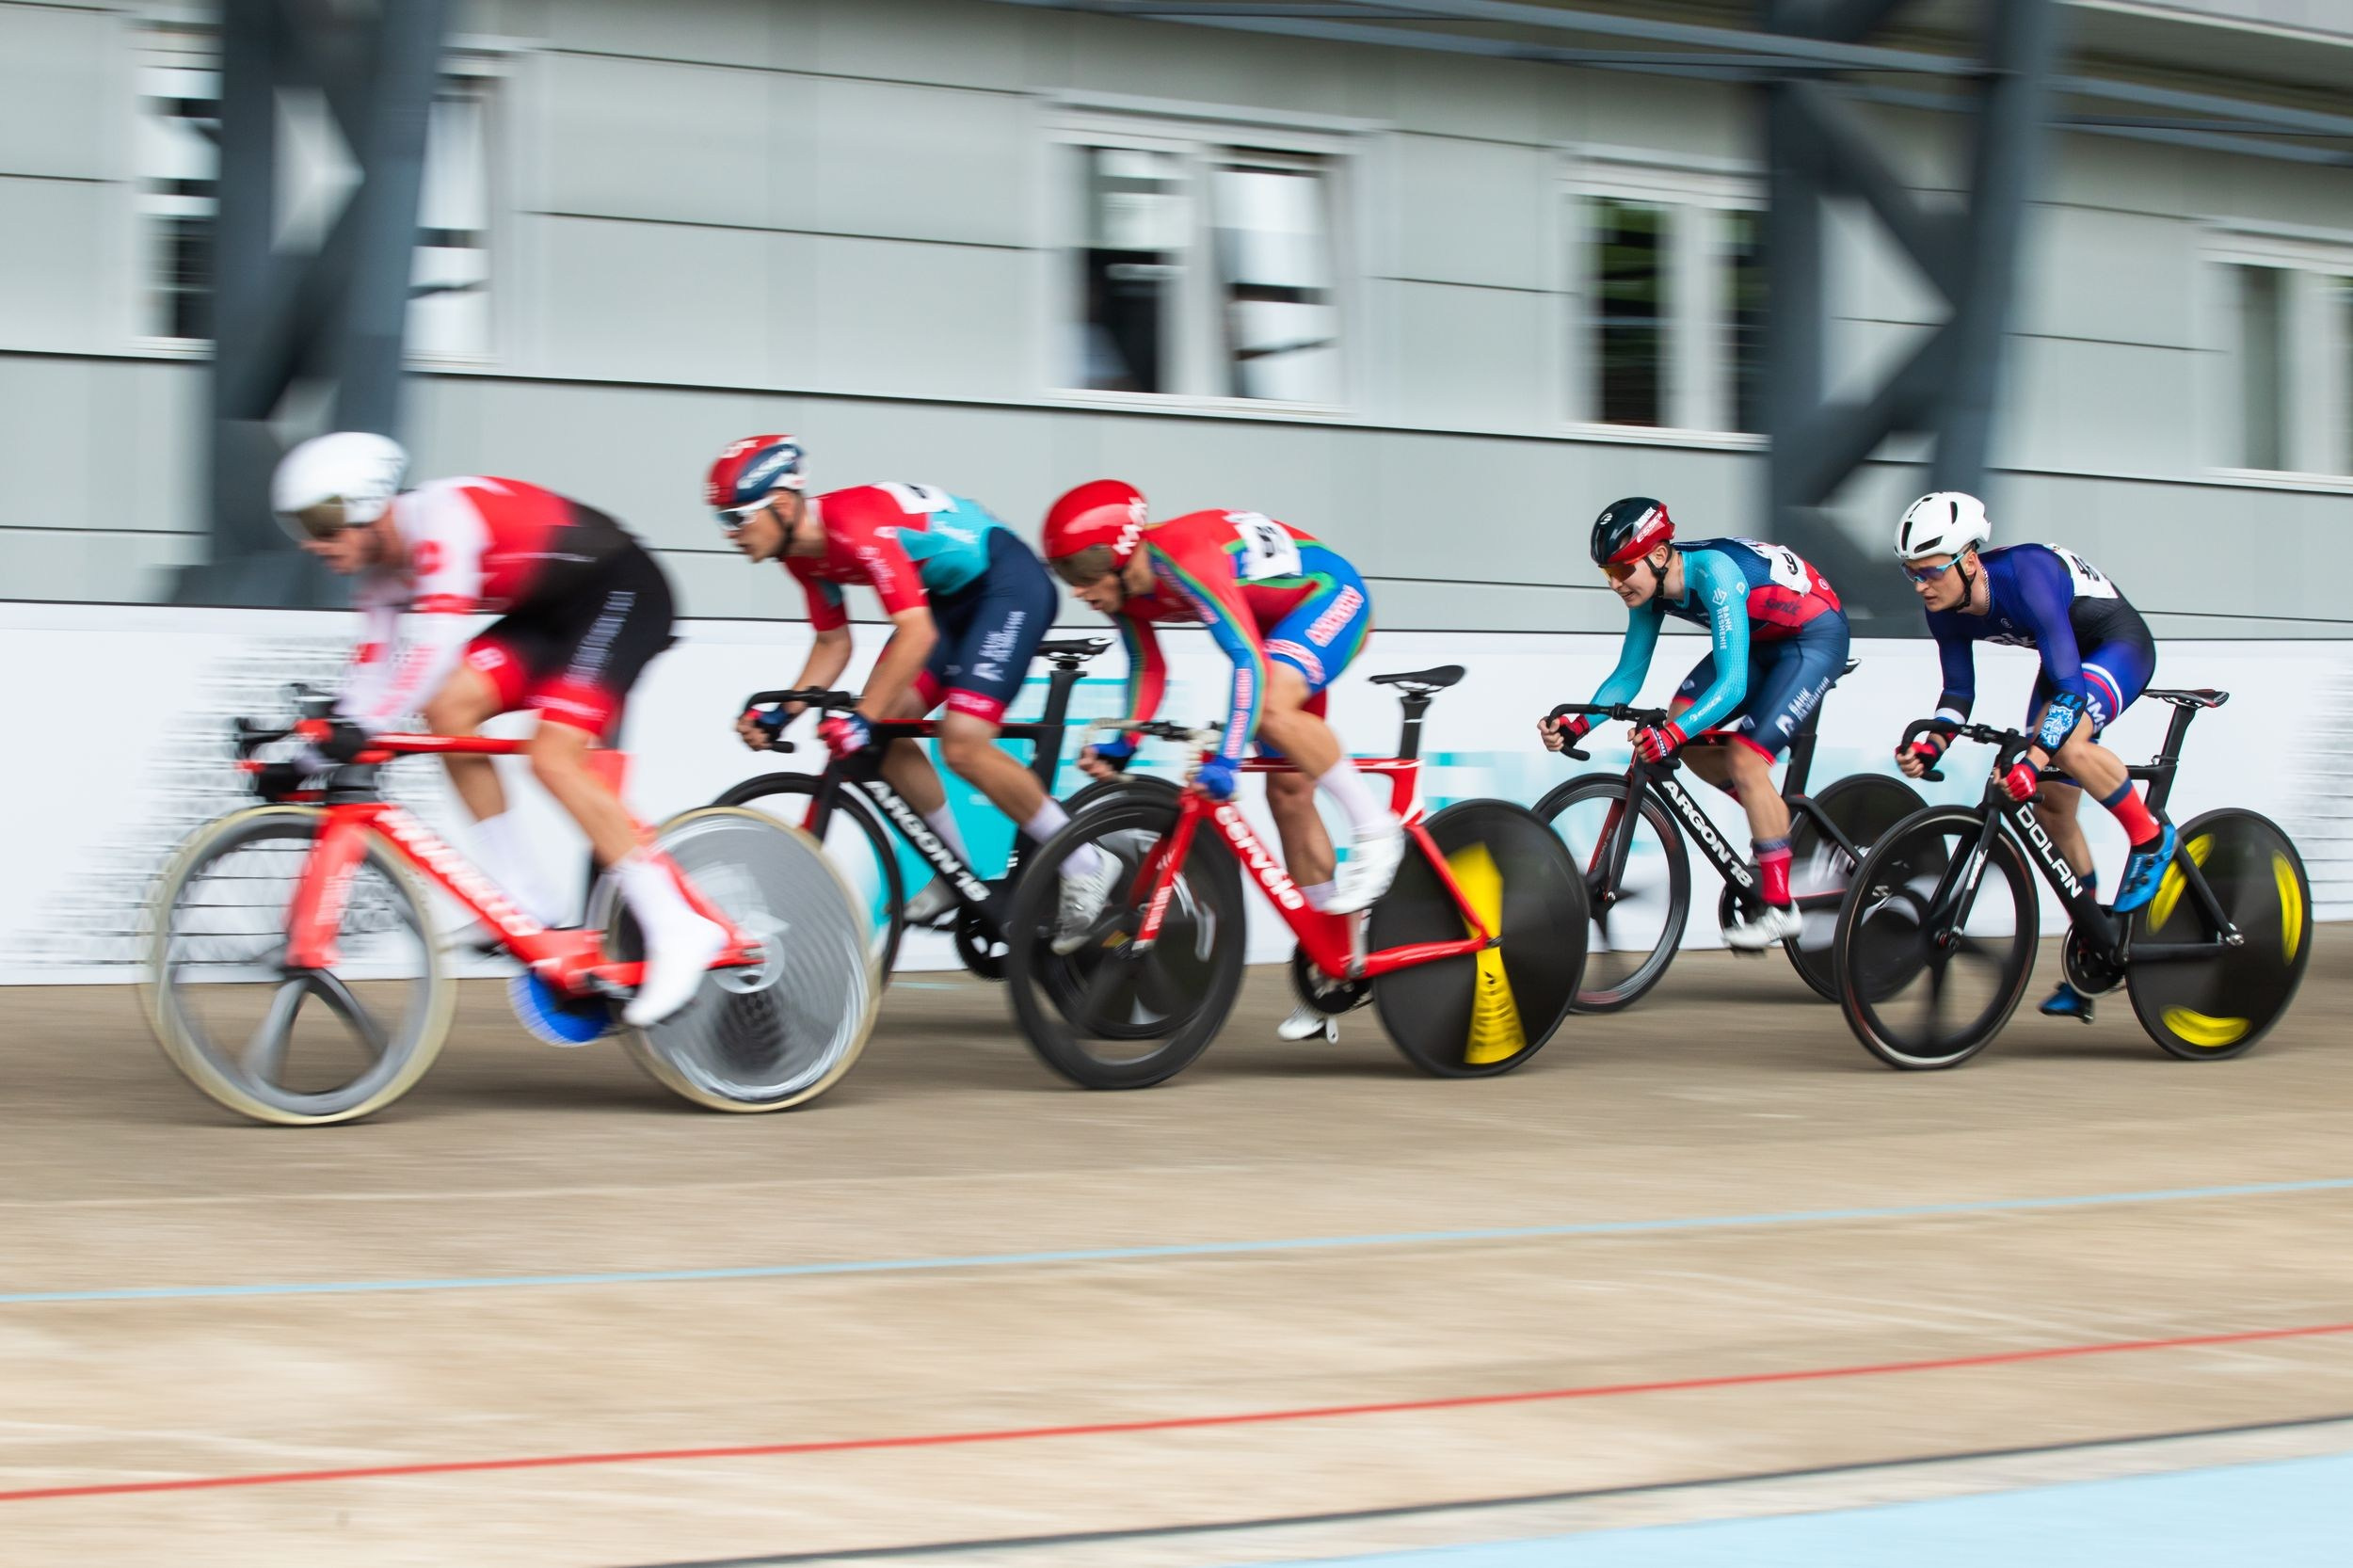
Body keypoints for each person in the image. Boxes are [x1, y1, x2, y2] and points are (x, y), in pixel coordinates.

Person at [269, 431, 718, 1028]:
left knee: (554, 756)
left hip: (620, 589)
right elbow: (367, 690)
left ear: (369, 504)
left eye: (322, 524)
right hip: (548, 614)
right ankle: (523, 894)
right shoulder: (379, 578)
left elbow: (428, 653)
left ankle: (681, 928)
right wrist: (303, 760)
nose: (310, 543)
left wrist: (357, 728)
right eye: (297, 528)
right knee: (449, 711)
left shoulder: (442, 521)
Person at [709, 436, 1112, 945]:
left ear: (783, 505)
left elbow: (915, 632)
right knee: (883, 738)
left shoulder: (853, 528)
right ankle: (954, 873)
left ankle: (1086, 861)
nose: (729, 533)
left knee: (962, 743)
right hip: (951, 603)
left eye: (735, 518)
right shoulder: (801, 557)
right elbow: (834, 644)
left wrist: (860, 718)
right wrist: (782, 713)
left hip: (1007, 585)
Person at [1039, 481, 1403, 1029]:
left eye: (1082, 575)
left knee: (1272, 710)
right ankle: (1337, 965)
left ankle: (1376, 826)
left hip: (1329, 595)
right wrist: (1123, 743)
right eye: (1068, 577)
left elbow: (1246, 663)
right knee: (1288, 793)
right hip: (1276, 626)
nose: (1078, 591)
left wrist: (1228, 759)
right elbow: (1148, 668)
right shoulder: (1127, 592)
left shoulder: (1182, 559)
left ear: (1117, 554)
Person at [1890, 491, 2173, 1024]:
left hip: (2115, 645)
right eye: (1912, 574)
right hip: (2065, 661)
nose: (1922, 585)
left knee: (2061, 745)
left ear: (1968, 559)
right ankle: (2096, 938)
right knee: (2052, 809)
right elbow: (1957, 694)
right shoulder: (1945, 608)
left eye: (1929, 571)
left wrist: (2033, 759)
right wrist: (1933, 744)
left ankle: (2151, 837)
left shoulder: (2028, 574)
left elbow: (2068, 694)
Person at [1540, 497, 1851, 952]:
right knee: (1682, 724)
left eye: (1623, 571)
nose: (1615, 584)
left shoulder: (1715, 575)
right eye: (1607, 574)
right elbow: (1628, 675)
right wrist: (1576, 726)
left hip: (1813, 638)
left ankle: (1781, 909)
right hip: (1766, 640)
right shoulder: (1648, 590)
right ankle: (1772, 823)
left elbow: (1733, 682)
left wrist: (1671, 734)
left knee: (1742, 759)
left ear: (1659, 555)